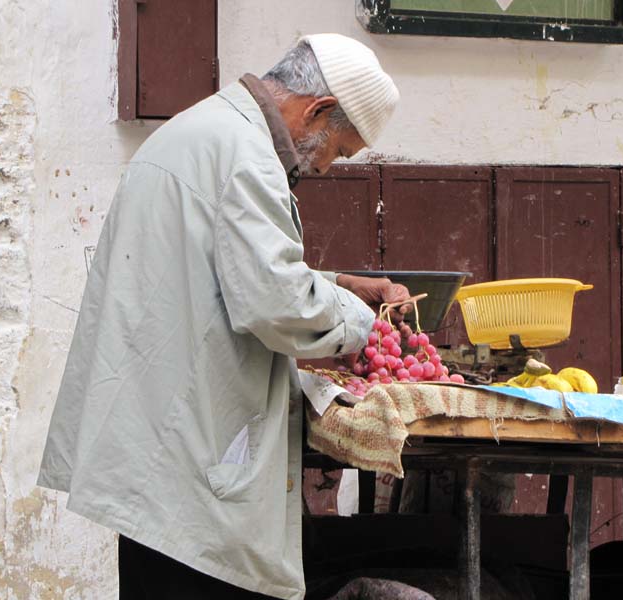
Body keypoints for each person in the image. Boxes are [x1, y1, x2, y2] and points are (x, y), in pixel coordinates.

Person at [37, 33, 406, 599]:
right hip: (186, 459)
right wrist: (361, 319)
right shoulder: (247, 156)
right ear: (319, 110)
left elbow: (224, 272)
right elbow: (274, 300)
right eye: (338, 149)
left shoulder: (203, 129)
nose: (329, 168)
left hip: (157, 448)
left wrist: (334, 284)